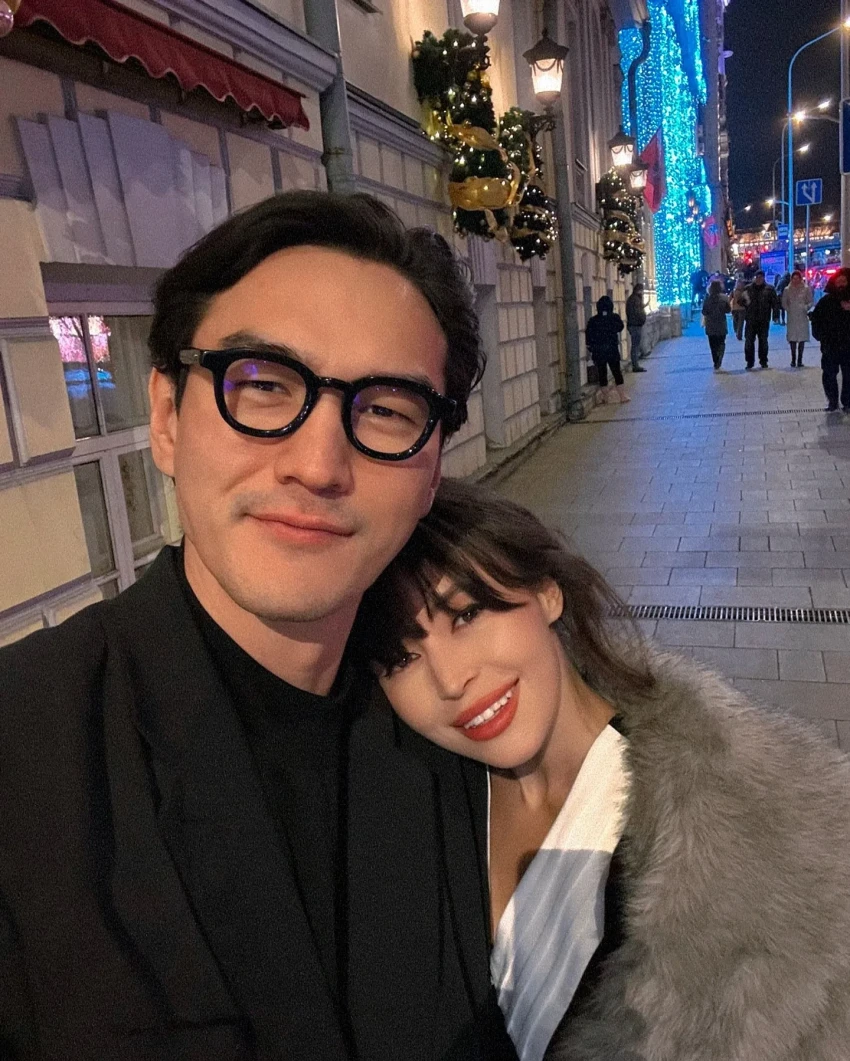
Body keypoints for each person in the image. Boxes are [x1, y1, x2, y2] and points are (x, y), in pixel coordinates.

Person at [0, 193, 518, 1061]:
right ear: (166, 417)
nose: (318, 465)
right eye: (266, 386)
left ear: (432, 470)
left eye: (386, 408)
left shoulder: (483, 739)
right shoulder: (23, 751)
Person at [356, 478, 850, 1061]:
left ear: (547, 592)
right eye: (402, 658)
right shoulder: (413, 798)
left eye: (467, 614)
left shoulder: (764, 853)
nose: (450, 680)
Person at [811, 265, 850, 412]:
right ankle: (832, 401)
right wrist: (821, 336)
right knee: (829, 374)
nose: (841, 285)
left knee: (848, 375)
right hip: (830, 345)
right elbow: (816, 319)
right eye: (838, 282)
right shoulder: (826, 301)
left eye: (843, 281)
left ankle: (847, 401)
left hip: (848, 345)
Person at [585, 295, 629, 404]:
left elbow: (588, 336)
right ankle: (622, 396)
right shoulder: (614, 318)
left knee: (602, 374)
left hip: (599, 351)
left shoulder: (593, 320)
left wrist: (591, 348)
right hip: (612, 350)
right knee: (617, 372)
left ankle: (606, 397)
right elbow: (620, 327)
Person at [742, 269, 778, 369]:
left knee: (763, 341)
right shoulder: (748, 288)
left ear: (763, 278)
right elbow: (741, 301)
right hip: (750, 319)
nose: (758, 279)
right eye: (757, 277)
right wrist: (744, 301)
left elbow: (775, 303)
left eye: (760, 277)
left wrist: (775, 315)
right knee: (749, 342)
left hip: (763, 320)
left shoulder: (769, 289)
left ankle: (763, 360)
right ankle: (749, 361)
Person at [782, 269, 814, 367]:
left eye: (797, 278)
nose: (795, 280)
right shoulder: (787, 290)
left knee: (801, 338)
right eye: (794, 278)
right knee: (792, 338)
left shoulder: (806, 289)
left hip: (802, 316)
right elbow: (784, 302)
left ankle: (800, 360)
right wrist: (788, 309)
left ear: (800, 279)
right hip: (792, 316)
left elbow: (810, 301)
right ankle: (793, 359)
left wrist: (805, 307)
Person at [702, 279, 730, 370]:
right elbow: (728, 310)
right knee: (721, 342)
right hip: (721, 323)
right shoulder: (724, 298)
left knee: (713, 344)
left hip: (711, 324)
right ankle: (720, 355)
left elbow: (704, 311)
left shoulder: (707, 299)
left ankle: (716, 361)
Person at [624, 283, 647, 372]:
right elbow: (637, 312)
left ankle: (635, 364)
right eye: (641, 290)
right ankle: (635, 365)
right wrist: (642, 319)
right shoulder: (635, 299)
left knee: (635, 345)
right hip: (635, 325)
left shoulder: (632, 299)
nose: (642, 292)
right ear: (639, 290)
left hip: (633, 325)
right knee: (635, 346)